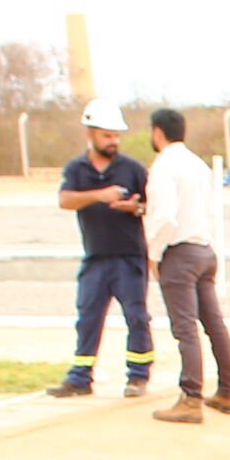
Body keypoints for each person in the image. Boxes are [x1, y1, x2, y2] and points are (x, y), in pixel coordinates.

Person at [47, 100, 154, 397]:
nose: (114, 141)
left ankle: (138, 375)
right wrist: (100, 195)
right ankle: (80, 377)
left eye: (116, 135)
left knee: (137, 317)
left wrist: (136, 207)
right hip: (95, 257)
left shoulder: (132, 169)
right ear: (90, 134)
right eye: (107, 135)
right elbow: (66, 200)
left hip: (130, 256)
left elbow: (151, 205)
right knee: (88, 317)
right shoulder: (76, 168)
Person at [142, 106, 230, 421]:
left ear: (157, 132)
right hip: (203, 248)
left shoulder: (163, 167)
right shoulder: (197, 165)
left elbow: (166, 216)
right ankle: (226, 389)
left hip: (178, 254)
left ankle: (191, 397)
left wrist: (153, 253)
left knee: (185, 328)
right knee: (214, 325)